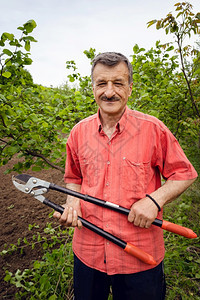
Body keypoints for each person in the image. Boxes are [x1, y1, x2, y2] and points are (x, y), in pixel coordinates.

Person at [53, 52, 198, 300]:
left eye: (118, 83)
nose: (109, 91)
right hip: (89, 253)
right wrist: (72, 202)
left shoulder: (153, 129)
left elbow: (185, 173)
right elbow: (74, 178)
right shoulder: (78, 132)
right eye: (102, 83)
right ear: (92, 88)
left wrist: (154, 201)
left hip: (140, 256)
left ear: (130, 88)